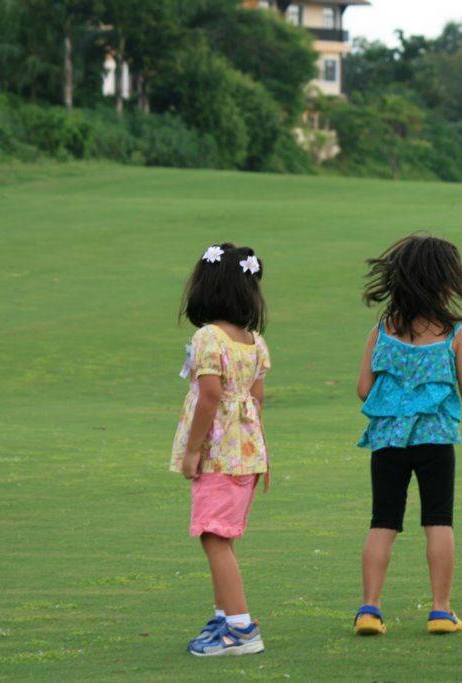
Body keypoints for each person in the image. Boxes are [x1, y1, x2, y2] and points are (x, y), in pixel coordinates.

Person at [354, 234, 462, 636]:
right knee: (438, 520)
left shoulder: (381, 331)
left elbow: (363, 389)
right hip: (436, 440)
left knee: (383, 521)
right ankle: (441, 610)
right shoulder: (454, 335)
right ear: (447, 284)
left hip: (388, 440)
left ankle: (370, 609)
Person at [172, 243, 271, 657]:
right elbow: (257, 399)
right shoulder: (253, 341)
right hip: (244, 454)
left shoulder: (208, 337)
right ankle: (224, 617)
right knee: (220, 535)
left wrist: (192, 450)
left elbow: (210, 395)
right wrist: (261, 454)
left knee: (214, 537)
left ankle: (241, 628)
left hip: (219, 453)